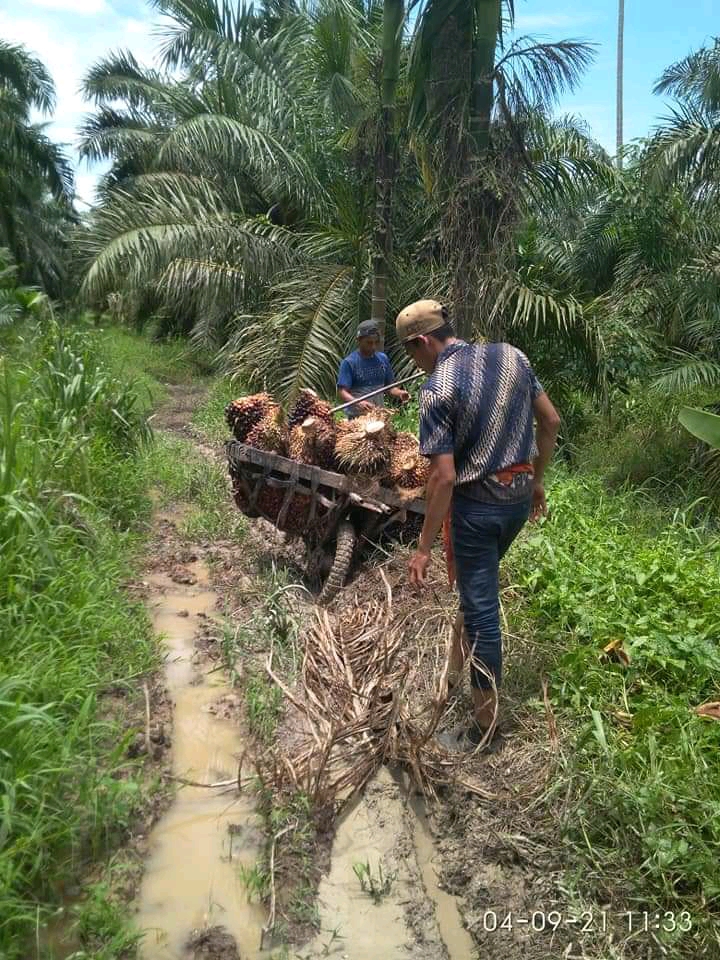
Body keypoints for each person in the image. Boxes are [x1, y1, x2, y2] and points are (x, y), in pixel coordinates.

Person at [395, 299, 560, 749]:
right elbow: (550, 420)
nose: (416, 364)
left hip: (478, 512)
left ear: (423, 341)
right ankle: (449, 684)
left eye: (412, 354)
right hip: (517, 501)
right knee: (476, 592)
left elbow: (444, 477)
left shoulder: (438, 387)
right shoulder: (513, 356)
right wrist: (537, 481)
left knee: (483, 612)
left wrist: (424, 547)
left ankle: (484, 729)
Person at [337, 320, 409, 418]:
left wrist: (399, 393)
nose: (373, 347)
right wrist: (358, 402)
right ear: (358, 340)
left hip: (378, 414)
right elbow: (342, 392)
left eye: (376, 342)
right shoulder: (349, 363)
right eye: (369, 343)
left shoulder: (382, 359)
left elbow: (390, 387)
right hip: (357, 417)